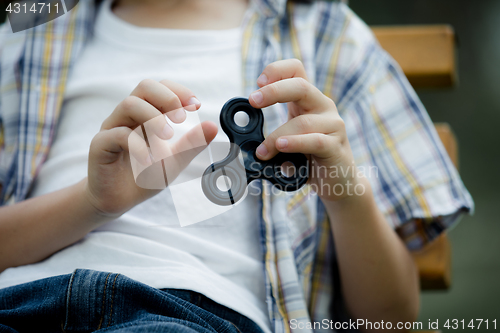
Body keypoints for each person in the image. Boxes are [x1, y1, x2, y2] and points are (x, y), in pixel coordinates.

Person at [0, 0, 473, 332]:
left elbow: (390, 321)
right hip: (19, 300)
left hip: (196, 312)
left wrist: (339, 184)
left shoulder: (325, 32)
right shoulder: (38, 23)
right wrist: (93, 202)